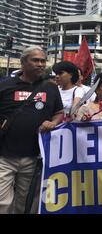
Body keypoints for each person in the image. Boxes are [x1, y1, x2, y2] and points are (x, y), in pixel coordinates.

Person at [0, 46, 64, 214]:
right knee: (2, 203)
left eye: (43, 61)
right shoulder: (5, 85)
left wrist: (53, 122)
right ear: (23, 63)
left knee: (25, 203)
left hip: (34, 158)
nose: (41, 64)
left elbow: (59, 112)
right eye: (35, 60)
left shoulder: (51, 88)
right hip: (4, 157)